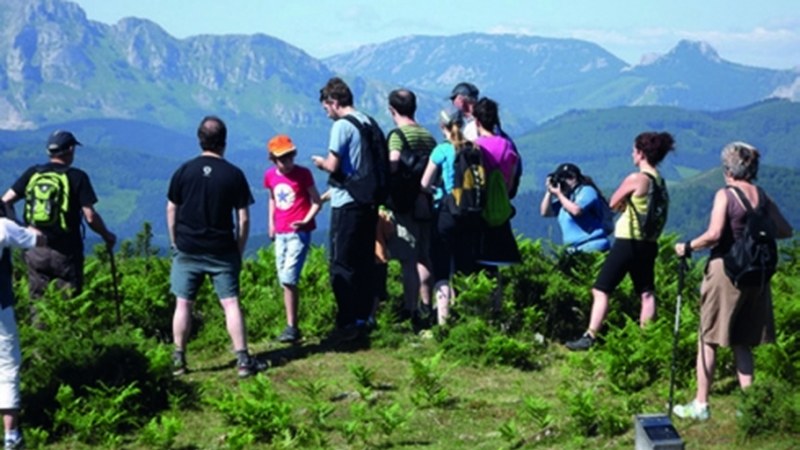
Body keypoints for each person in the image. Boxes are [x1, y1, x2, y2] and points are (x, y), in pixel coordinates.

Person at [672, 142, 792, 420]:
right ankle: (749, 407)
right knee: (743, 340)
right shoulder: (762, 196)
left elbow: (714, 235)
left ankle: (701, 404)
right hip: (756, 276)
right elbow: (785, 230)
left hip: (726, 271)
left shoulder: (726, 195)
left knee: (708, 337)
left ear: (728, 170)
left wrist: (688, 246)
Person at [168, 116, 264, 378]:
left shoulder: (184, 171)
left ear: (200, 139)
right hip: (222, 248)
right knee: (231, 303)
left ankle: (179, 359)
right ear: (224, 141)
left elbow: (171, 208)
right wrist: (238, 249)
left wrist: (175, 241)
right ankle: (243, 359)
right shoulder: (234, 174)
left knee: (184, 303)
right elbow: (243, 218)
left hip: (188, 247)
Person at [566, 131, 675, 351]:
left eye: (634, 150)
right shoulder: (660, 181)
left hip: (627, 241)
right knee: (646, 292)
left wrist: (624, 203)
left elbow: (613, 203)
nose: (632, 154)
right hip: (649, 242)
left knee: (601, 289)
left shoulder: (636, 179)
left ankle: (591, 336)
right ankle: (648, 340)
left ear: (642, 153)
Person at [2, 130, 117, 300]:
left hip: (35, 249)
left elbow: (4, 202)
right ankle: (65, 327)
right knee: (69, 303)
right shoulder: (77, 177)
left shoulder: (33, 173)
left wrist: (21, 230)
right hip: (66, 251)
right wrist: (107, 236)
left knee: (38, 303)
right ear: (70, 149)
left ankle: (37, 327)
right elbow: (90, 217)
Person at [311, 77, 380, 341]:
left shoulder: (342, 126)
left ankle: (346, 320)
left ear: (334, 101)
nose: (326, 112)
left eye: (326, 106)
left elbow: (333, 164)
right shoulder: (367, 121)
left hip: (347, 202)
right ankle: (363, 317)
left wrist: (320, 163)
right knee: (363, 260)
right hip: (368, 201)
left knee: (341, 262)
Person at [420, 106, 481, 325]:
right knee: (465, 266)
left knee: (441, 267)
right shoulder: (474, 148)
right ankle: (468, 319)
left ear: (441, 126)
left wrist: (436, 192)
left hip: (445, 212)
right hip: (470, 214)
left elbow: (425, 183)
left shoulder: (441, 151)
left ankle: (443, 322)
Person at [263, 134, 322, 343]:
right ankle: (291, 325)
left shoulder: (303, 174)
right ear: (273, 159)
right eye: (281, 159)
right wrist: (271, 223)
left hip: (298, 232)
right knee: (284, 279)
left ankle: (292, 326)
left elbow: (317, 200)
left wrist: (306, 220)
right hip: (280, 232)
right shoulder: (270, 176)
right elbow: (272, 198)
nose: (286, 162)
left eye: (289, 157)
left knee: (289, 278)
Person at [385, 88, 437, 321]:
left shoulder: (398, 135)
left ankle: (410, 309)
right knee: (425, 255)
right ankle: (428, 305)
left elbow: (393, 163)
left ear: (392, 110)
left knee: (408, 258)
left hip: (405, 203)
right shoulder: (428, 136)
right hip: (426, 201)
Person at [0, 202, 45, 450]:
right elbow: (38, 241)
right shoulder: (4, 227)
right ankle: (11, 435)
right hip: (0, 307)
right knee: (6, 365)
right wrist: (25, 224)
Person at [472, 97, 521, 266]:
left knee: (481, 264)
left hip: (479, 213)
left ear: (476, 121)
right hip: (502, 209)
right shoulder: (508, 146)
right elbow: (511, 181)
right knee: (502, 263)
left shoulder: (474, 147)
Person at [540, 163, 612, 253]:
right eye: (562, 178)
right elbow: (545, 212)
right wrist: (549, 191)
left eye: (568, 177)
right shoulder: (567, 199)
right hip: (573, 250)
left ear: (576, 178)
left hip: (593, 245)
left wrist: (559, 194)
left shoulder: (587, 191)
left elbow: (576, 210)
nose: (564, 181)